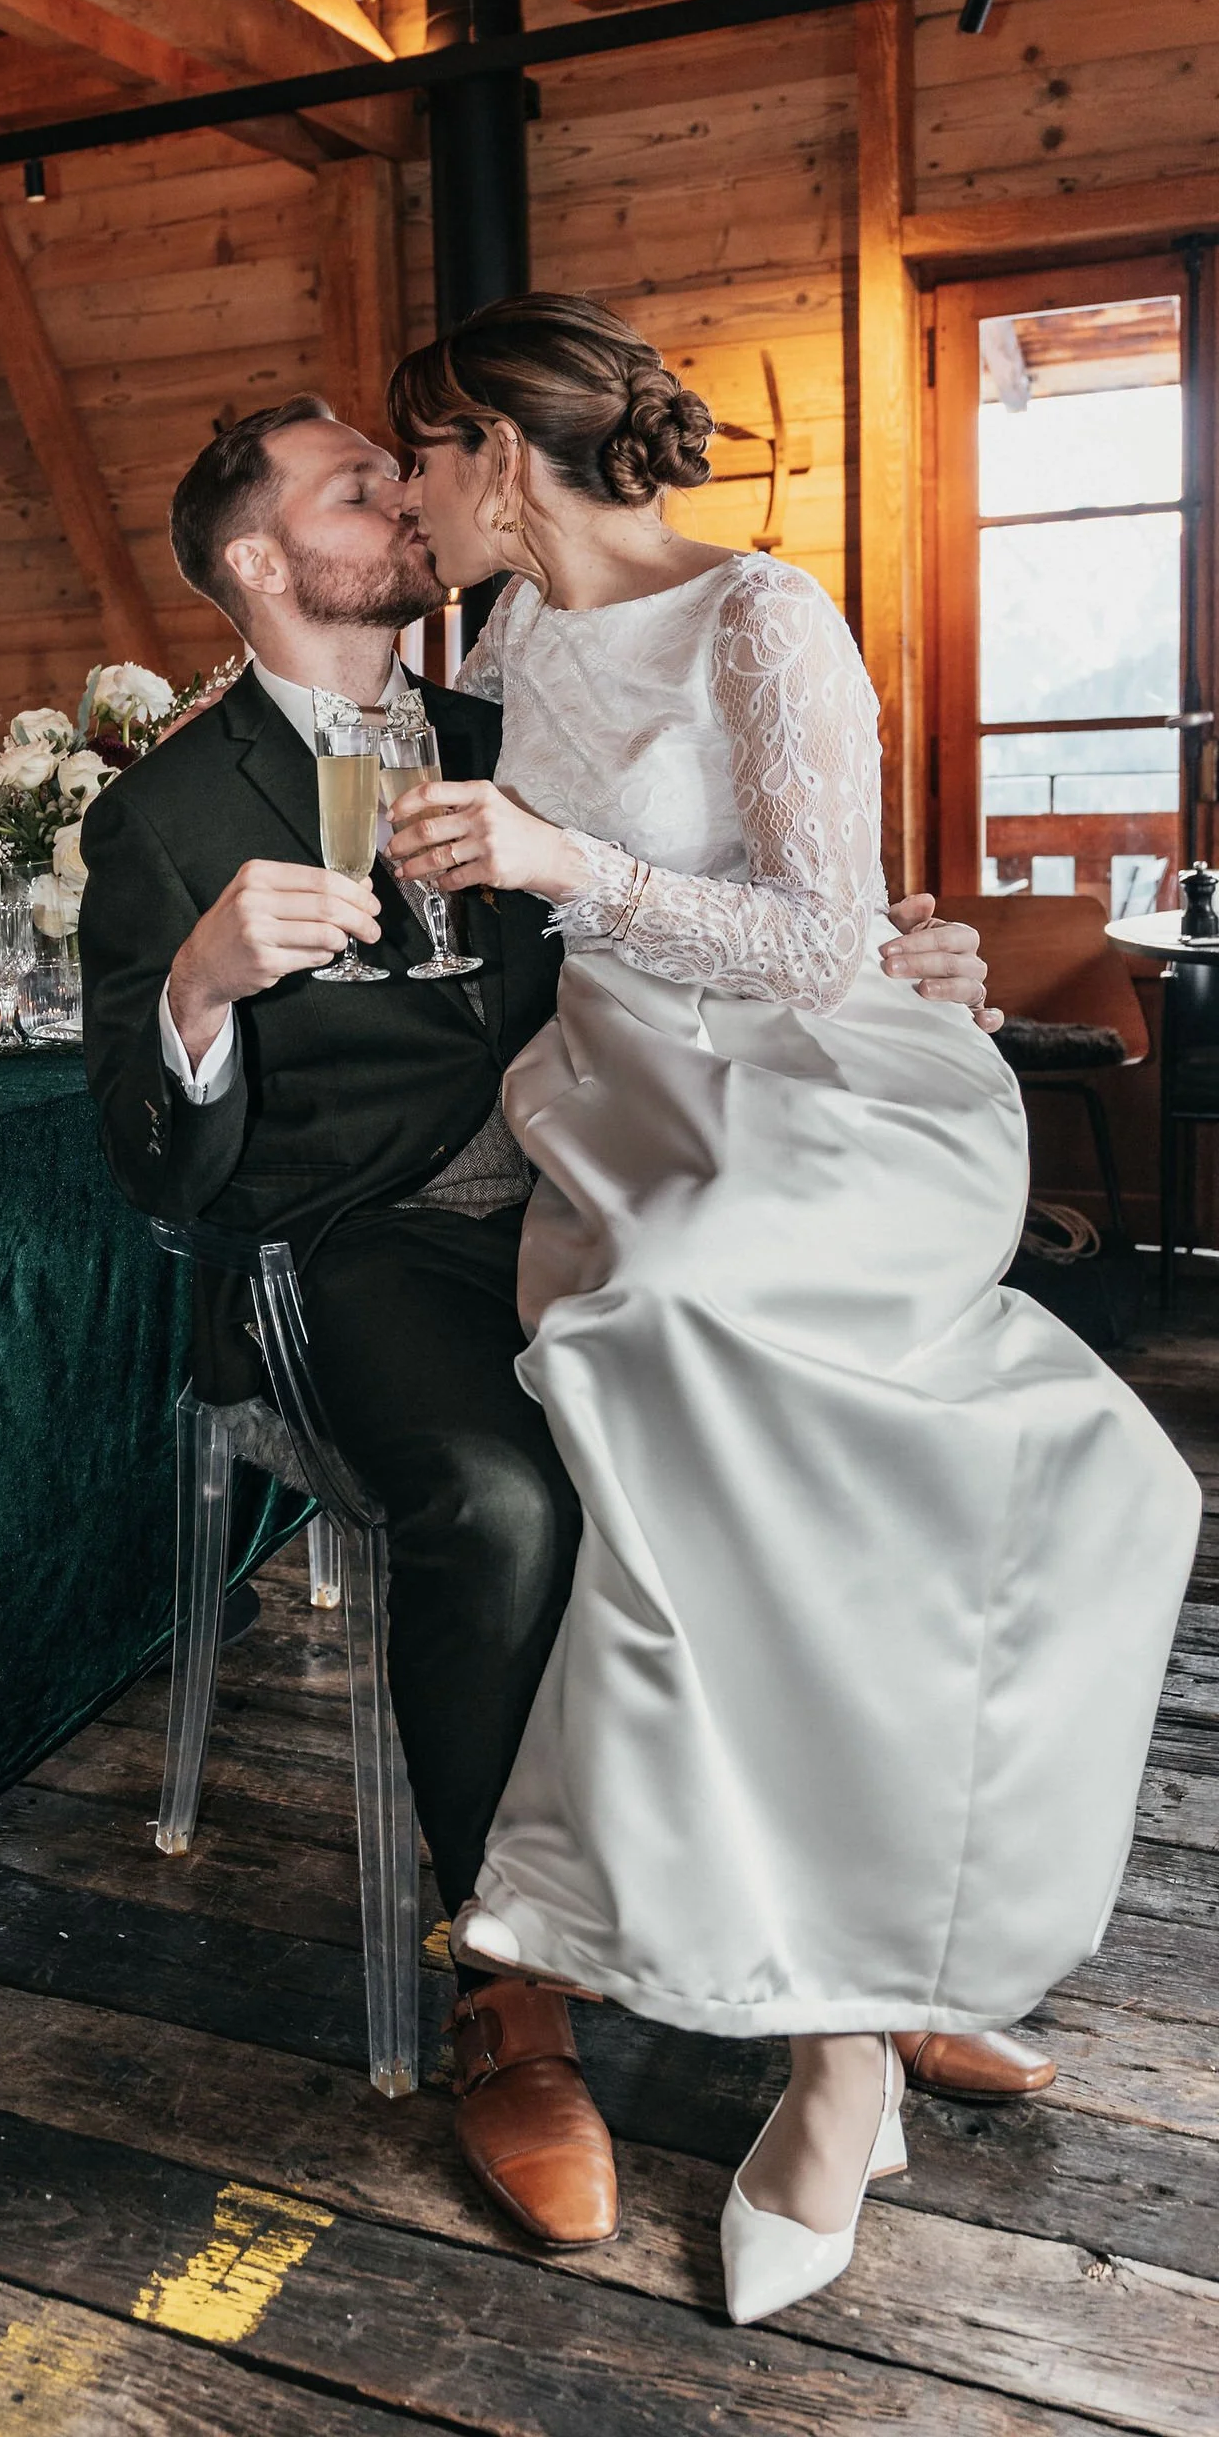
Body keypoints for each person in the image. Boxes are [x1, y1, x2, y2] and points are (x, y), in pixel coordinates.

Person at [78, 390, 1047, 2263]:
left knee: (796, 1438)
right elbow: (142, 1154)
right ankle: (508, 1988)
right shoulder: (167, 811)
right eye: (357, 487)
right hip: (352, 1249)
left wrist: (892, 952)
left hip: (596, 1200)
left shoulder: (511, 720)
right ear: (263, 564)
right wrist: (199, 984)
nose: (406, 496)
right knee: (512, 1503)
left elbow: (719, 909)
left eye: (401, 464)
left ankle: (837, 1952)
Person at [381, 296, 1201, 2324]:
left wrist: (563, 854)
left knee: (690, 1328)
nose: (405, 497)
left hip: (814, 1081)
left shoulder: (762, 614)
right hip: (614, 1094)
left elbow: (829, 933)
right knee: (669, 1377)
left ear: (498, 451)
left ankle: (837, 2041)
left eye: (420, 454)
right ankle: (838, 2006)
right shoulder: (505, 640)